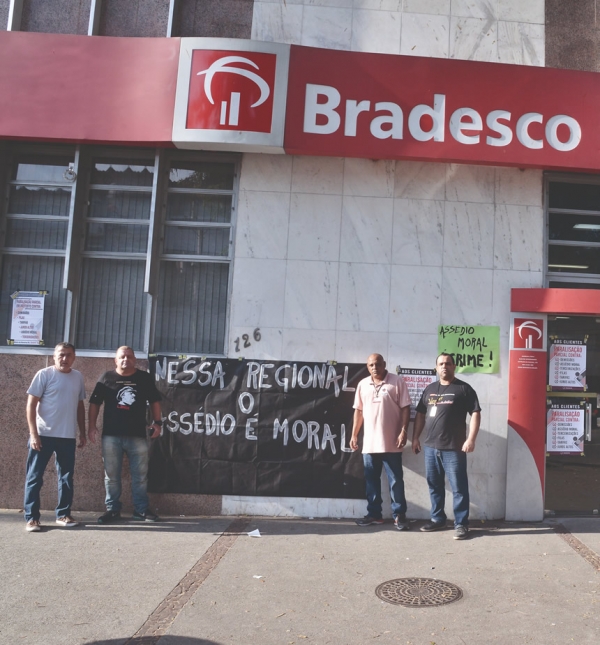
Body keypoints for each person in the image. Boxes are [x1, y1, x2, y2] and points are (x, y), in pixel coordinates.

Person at [88, 346, 162, 523]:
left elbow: (155, 401)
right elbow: (94, 403)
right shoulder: (106, 378)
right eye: (122, 357)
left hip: (138, 435)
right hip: (111, 437)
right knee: (111, 476)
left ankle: (141, 510)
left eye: (129, 356)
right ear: (115, 360)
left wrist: (157, 422)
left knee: (141, 477)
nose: (125, 360)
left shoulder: (144, 378)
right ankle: (112, 510)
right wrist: (91, 426)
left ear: (134, 359)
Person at [412, 353, 481, 540]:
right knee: (434, 485)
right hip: (431, 447)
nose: (445, 366)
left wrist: (471, 439)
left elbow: (475, 413)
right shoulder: (429, 389)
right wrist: (415, 438)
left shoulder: (464, 389)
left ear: (454, 366)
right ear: (436, 367)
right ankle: (437, 519)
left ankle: (461, 524)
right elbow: (419, 414)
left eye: (448, 363)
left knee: (459, 487)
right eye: (441, 364)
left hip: (454, 448)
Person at [24, 342, 86, 532]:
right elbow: (31, 405)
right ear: (54, 356)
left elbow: (79, 406)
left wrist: (82, 432)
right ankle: (32, 518)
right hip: (43, 435)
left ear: (74, 357)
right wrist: (33, 434)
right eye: (61, 354)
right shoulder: (44, 375)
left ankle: (63, 514)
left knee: (66, 477)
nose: (64, 358)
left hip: (67, 437)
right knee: (35, 477)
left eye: (68, 355)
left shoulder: (77, 377)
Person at [350, 353, 412, 529]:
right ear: (367, 366)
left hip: (392, 442)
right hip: (369, 444)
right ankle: (374, 515)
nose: (374, 367)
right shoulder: (362, 384)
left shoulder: (397, 382)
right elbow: (358, 412)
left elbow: (406, 408)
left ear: (384, 364)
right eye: (371, 365)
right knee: (371, 482)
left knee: (395, 481)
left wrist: (403, 431)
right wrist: (354, 435)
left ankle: (399, 515)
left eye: (377, 364)